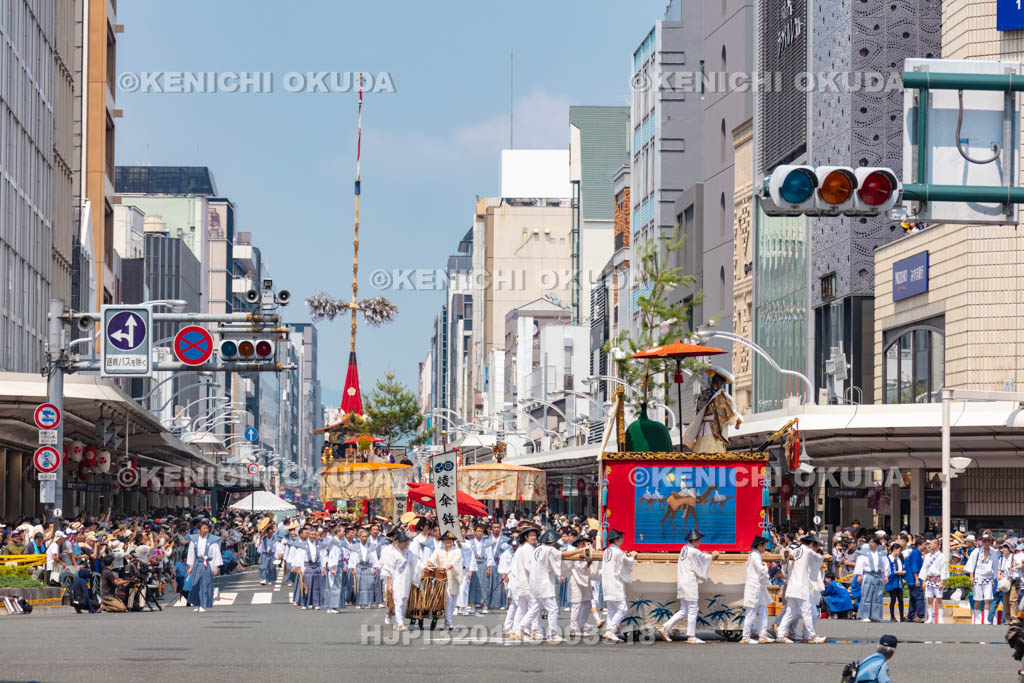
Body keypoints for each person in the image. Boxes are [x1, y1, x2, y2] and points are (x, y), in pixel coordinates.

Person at [661, 529, 718, 643]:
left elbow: (700, 556)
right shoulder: (694, 551)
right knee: (693, 608)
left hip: (682, 581)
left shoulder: (684, 548)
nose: (701, 542)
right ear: (695, 541)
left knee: (684, 609)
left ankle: (665, 627)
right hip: (689, 582)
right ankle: (691, 636)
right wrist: (713, 555)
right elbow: (704, 558)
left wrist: (707, 555)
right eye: (700, 540)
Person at [777, 535, 827, 644]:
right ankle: (810, 635)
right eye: (817, 546)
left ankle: (781, 634)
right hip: (801, 586)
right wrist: (825, 557)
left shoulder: (795, 551)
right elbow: (819, 558)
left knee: (792, 612)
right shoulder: (808, 551)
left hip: (793, 585)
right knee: (807, 611)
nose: (817, 548)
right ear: (812, 544)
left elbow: (787, 568)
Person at [682, 366, 742, 453]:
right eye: (721, 382)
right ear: (718, 382)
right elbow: (726, 413)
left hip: (701, 431)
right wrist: (737, 419)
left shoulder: (703, 394)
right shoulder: (718, 395)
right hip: (712, 430)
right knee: (715, 457)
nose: (721, 385)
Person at [524, 529, 565, 642]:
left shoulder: (538, 549)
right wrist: (581, 550)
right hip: (543, 584)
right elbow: (564, 554)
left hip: (535, 583)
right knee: (553, 609)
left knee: (535, 609)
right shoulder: (550, 549)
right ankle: (552, 634)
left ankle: (519, 629)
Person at [600, 528, 636, 643]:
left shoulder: (607, 551)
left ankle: (610, 631)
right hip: (614, 583)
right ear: (616, 540)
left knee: (611, 609)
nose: (623, 540)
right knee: (622, 608)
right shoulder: (618, 552)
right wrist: (633, 557)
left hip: (606, 582)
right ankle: (611, 630)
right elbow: (626, 563)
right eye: (621, 538)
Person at [380, 529, 417, 632]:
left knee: (404, 601)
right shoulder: (393, 554)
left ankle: (397, 623)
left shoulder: (409, 553)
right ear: (398, 542)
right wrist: (389, 584)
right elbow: (388, 569)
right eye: (404, 541)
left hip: (406, 579)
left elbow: (416, 563)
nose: (406, 543)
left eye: (407, 541)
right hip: (397, 579)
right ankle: (400, 623)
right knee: (398, 601)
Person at [426, 530, 464, 630]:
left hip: (453, 578)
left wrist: (447, 568)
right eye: (446, 539)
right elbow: (431, 559)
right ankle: (449, 621)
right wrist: (429, 564)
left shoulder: (457, 551)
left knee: (452, 601)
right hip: (441, 579)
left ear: (453, 541)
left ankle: (448, 620)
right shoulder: (438, 550)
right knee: (447, 600)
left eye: (450, 539)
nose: (448, 541)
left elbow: (455, 562)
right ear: (443, 540)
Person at [565, 535, 601, 637]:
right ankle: (573, 628)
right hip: (576, 580)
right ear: (578, 543)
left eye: (585, 542)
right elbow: (580, 568)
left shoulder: (589, 552)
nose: (584, 544)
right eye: (581, 542)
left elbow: (593, 565)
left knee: (588, 604)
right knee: (576, 605)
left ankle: (580, 626)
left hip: (586, 580)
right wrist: (589, 562)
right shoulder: (575, 553)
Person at [740, 535, 773, 643]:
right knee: (751, 612)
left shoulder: (753, 555)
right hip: (755, 586)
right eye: (764, 545)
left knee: (763, 610)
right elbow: (761, 571)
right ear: (759, 545)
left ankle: (763, 634)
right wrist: (765, 567)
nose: (765, 548)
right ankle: (745, 637)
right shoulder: (756, 556)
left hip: (757, 586)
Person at [186, 521, 222, 612]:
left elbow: (216, 553)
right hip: (197, 563)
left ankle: (203, 604)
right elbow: (191, 554)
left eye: (207, 528)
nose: (206, 530)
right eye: (204, 528)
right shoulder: (194, 539)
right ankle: (196, 604)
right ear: (199, 529)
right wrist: (190, 566)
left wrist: (216, 567)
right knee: (195, 584)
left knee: (205, 584)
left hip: (208, 564)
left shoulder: (212, 540)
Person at [510, 526, 539, 640]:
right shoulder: (527, 549)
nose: (533, 537)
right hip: (528, 582)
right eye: (531, 536)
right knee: (534, 607)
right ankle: (534, 630)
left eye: (535, 535)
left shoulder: (523, 548)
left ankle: (515, 630)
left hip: (521, 582)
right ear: (526, 537)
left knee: (522, 608)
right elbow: (529, 567)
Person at [965, 531, 998, 624]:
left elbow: (995, 567)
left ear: (990, 541)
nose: (986, 543)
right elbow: (971, 564)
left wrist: (994, 580)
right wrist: (971, 576)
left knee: (988, 599)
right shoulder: (977, 551)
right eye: (985, 541)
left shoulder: (994, 553)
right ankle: (977, 618)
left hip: (988, 577)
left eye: (988, 541)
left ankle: (986, 619)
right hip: (979, 576)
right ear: (982, 542)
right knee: (978, 599)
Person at [855, 535, 890, 623]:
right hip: (868, 575)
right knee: (866, 595)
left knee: (877, 596)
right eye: (870, 542)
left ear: (877, 544)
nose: (871, 544)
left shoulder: (882, 554)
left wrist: (886, 576)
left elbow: (885, 565)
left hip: (878, 575)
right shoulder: (864, 553)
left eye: (873, 542)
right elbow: (860, 564)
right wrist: (859, 575)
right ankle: (865, 615)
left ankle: (876, 615)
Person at [920, 538, 948, 624]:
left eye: (931, 544)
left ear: (936, 545)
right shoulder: (927, 556)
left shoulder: (941, 556)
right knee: (929, 599)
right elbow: (924, 569)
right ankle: (930, 618)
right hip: (929, 579)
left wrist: (942, 582)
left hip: (938, 579)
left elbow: (944, 569)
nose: (930, 545)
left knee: (939, 599)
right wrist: (923, 581)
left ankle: (940, 618)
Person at [352, 528, 380, 609]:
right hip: (359, 567)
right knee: (359, 586)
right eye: (363, 537)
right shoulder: (356, 546)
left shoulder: (371, 546)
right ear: (360, 537)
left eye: (366, 537)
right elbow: (353, 558)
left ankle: (368, 602)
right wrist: (353, 568)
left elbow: (374, 557)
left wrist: (375, 567)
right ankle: (359, 602)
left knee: (370, 585)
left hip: (368, 567)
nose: (364, 538)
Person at [905, 537, 926, 622]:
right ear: (919, 545)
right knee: (919, 597)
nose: (925, 546)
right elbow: (914, 566)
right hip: (914, 579)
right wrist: (917, 579)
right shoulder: (916, 553)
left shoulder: (916, 553)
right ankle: (920, 615)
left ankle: (911, 615)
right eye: (924, 545)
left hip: (911, 578)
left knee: (913, 597)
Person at [885, 542, 906, 622]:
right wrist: (896, 572)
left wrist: (903, 571)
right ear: (894, 549)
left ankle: (902, 616)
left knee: (901, 599)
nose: (899, 552)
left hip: (899, 581)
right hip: (892, 581)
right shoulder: (889, 559)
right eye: (899, 550)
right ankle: (892, 616)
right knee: (893, 599)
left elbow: (902, 567)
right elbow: (887, 571)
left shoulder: (899, 559)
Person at [256, 519, 277, 585]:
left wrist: (277, 556)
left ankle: (269, 579)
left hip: (272, 554)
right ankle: (263, 579)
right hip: (264, 554)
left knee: (271, 567)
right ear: (267, 532)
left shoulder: (275, 538)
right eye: (268, 532)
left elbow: (277, 547)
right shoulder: (263, 538)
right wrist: (259, 540)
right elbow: (258, 547)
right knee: (263, 567)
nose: (270, 534)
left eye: (271, 533)